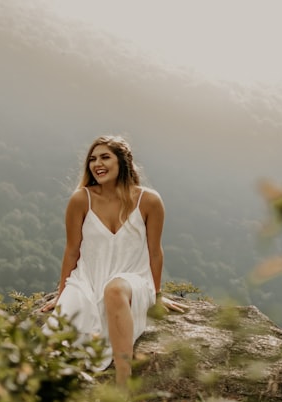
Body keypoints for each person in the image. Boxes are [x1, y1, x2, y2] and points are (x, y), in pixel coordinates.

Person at [41, 135, 185, 386]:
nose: (97, 163)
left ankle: (122, 386)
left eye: (105, 157)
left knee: (114, 289)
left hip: (133, 280)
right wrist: (62, 293)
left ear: (123, 162)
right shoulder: (81, 199)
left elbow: (155, 252)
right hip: (86, 281)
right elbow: (72, 251)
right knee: (55, 340)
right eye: (93, 159)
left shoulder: (149, 200)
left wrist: (156, 294)